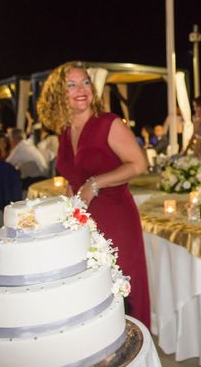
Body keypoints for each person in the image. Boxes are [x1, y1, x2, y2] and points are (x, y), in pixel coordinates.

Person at [36, 61, 151, 329]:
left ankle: (132, 342)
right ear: (58, 94)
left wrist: (96, 183)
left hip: (116, 217)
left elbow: (139, 164)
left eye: (85, 82)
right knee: (91, 289)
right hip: (83, 222)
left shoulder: (108, 123)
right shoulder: (65, 132)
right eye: (72, 84)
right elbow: (72, 177)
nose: (81, 89)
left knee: (121, 283)